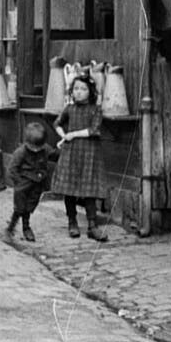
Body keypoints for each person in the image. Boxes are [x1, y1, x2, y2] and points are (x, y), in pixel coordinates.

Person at [53, 71, 110, 241]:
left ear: (90, 92)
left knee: (89, 190)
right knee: (69, 189)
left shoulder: (96, 110)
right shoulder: (69, 109)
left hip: (89, 152)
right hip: (71, 152)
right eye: (76, 88)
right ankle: (72, 222)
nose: (78, 92)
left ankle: (92, 226)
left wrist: (73, 134)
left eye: (83, 89)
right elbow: (57, 123)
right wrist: (64, 136)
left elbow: (93, 130)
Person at [3, 119, 56, 242]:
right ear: (27, 142)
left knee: (29, 207)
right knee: (19, 208)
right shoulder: (20, 152)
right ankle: (12, 228)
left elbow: (53, 155)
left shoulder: (45, 148)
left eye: (39, 147)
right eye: (34, 147)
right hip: (23, 185)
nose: (37, 150)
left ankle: (26, 227)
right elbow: (12, 169)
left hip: (37, 184)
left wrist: (63, 149)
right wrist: (19, 183)